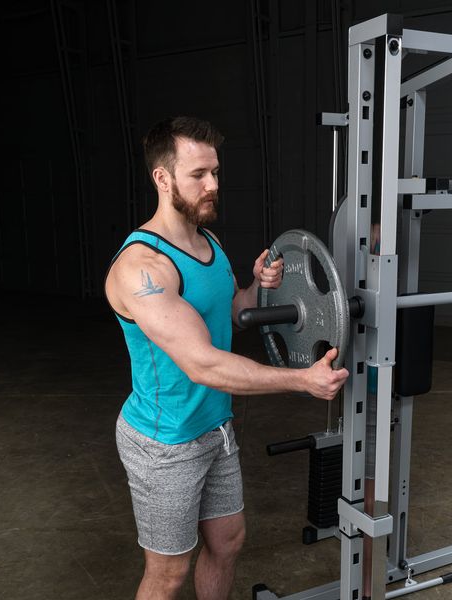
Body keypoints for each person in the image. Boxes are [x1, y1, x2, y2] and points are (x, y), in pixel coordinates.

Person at [104, 116, 349, 600]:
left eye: (215, 172)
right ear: (163, 178)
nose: (213, 185)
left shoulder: (207, 243)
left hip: (215, 426)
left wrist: (258, 286)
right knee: (169, 572)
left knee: (228, 541)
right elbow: (203, 363)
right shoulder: (142, 267)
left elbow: (232, 311)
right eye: (198, 175)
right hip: (165, 441)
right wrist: (302, 380)